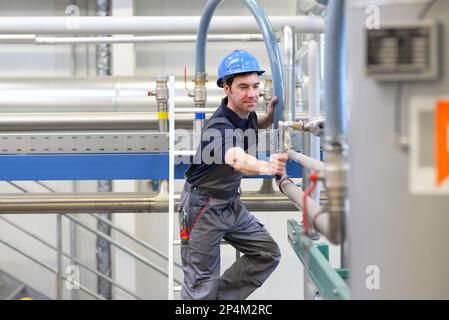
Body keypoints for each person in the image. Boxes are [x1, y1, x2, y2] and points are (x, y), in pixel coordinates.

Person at [178, 49, 288, 300]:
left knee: (266, 253)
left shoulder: (245, 114)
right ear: (226, 89)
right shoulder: (218, 127)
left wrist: (268, 118)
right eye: (242, 87)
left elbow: (251, 123)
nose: (252, 94)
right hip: (203, 207)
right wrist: (267, 167)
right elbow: (236, 159)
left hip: (229, 204)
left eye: (255, 86)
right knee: (201, 282)